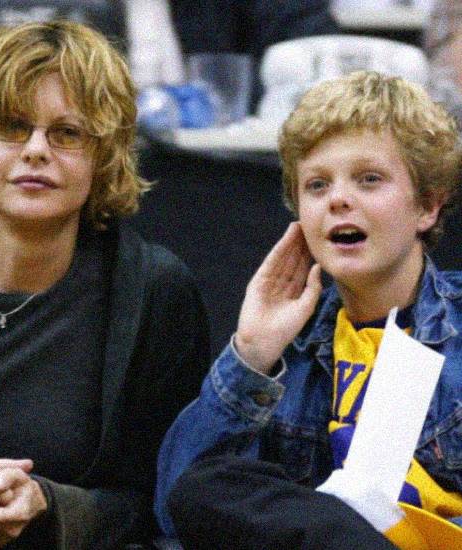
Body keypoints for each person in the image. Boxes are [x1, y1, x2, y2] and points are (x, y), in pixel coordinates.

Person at [0, 20, 211, 548]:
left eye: (67, 133)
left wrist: (50, 505)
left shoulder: (154, 292)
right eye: (12, 127)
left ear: (103, 158)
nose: (36, 150)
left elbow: (170, 504)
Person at [155, 71, 462, 549]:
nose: (338, 199)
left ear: (426, 206)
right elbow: (178, 511)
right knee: (204, 484)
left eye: (369, 179)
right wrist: (252, 355)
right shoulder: (290, 344)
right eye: (317, 185)